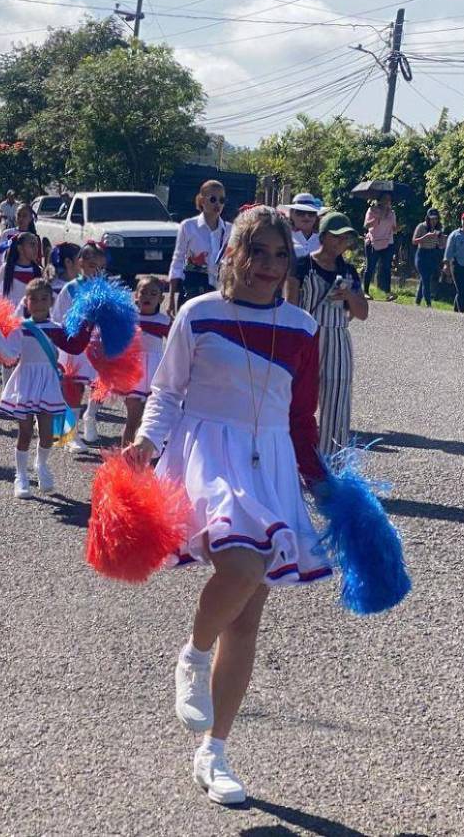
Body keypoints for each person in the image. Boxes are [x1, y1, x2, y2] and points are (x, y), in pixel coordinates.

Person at [122, 205, 331, 807]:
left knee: (247, 614)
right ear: (232, 254)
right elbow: (167, 392)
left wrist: (320, 483)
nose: (268, 265)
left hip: (270, 463)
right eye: (257, 251)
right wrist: (145, 444)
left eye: (279, 254)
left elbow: (299, 417)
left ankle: (214, 751)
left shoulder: (302, 327)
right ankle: (192, 653)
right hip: (209, 454)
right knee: (240, 568)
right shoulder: (199, 313)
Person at [0, 279, 92, 498]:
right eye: (34, 299)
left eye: (44, 298)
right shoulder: (20, 328)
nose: (40, 303)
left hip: (48, 382)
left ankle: (41, 465)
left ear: (51, 302)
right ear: (27, 302)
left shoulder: (56, 329)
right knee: (24, 432)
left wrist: (88, 323)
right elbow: (9, 356)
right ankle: (21, 476)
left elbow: (75, 346)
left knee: (46, 434)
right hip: (25, 382)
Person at [287, 211, 369, 457]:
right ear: (324, 236)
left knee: (337, 403)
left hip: (337, 337)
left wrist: (350, 296)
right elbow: (290, 304)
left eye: (346, 238)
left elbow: (362, 313)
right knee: (296, 401)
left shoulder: (349, 272)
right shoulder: (301, 265)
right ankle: (291, 460)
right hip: (306, 335)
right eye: (338, 237)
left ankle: (332, 465)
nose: (342, 242)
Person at [52, 243, 106, 452]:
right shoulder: (71, 288)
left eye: (100, 267)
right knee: (74, 386)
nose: (96, 271)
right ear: (80, 263)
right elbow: (58, 317)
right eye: (92, 265)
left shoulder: (104, 289)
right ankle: (69, 435)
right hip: (75, 344)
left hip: (98, 344)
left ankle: (90, 416)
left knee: (100, 385)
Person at [169, 180, 230, 315]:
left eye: (222, 200)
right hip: (192, 289)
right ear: (202, 201)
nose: (218, 204)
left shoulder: (230, 230)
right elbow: (178, 261)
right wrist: (172, 296)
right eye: (213, 199)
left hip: (219, 293)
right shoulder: (188, 226)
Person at [124, 276, 171, 448]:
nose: (147, 297)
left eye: (153, 294)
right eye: (143, 292)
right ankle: (125, 465)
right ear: (135, 295)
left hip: (156, 373)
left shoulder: (164, 321)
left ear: (161, 299)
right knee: (132, 420)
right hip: (134, 373)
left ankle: (146, 461)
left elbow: (178, 346)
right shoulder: (128, 319)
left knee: (149, 423)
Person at [362, 193, 397, 300]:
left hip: (388, 242)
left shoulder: (392, 213)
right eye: (385, 199)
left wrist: (397, 228)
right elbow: (366, 225)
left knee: (386, 268)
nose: (387, 202)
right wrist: (378, 218)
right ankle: (365, 292)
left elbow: (394, 228)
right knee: (370, 267)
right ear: (380, 200)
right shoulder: (372, 210)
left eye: (389, 200)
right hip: (373, 242)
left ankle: (388, 293)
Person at [412, 209, 445, 307]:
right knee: (426, 279)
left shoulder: (438, 228)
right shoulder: (421, 226)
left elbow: (440, 244)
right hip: (422, 254)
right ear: (427, 218)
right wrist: (426, 236)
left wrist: (442, 240)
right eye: (431, 219)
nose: (433, 221)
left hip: (432, 254)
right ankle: (428, 302)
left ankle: (417, 301)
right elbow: (414, 241)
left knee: (425, 278)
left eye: (435, 219)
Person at [287, 193, 322, 258]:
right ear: (291, 214)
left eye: (311, 213)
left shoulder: (323, 240)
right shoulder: (284, 237)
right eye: (300, 212)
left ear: (316, 216)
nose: (306, 217)